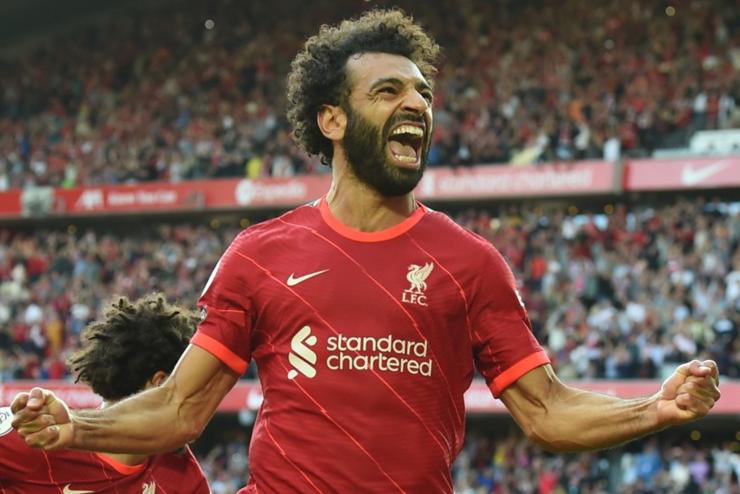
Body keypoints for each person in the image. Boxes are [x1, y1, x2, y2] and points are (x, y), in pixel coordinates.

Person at [11, 9, 720, 494]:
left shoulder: (471, 264)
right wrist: (76, 427)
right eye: (388, 91)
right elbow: (179, 408)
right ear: (333, 118)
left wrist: (654, 410)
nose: (417, 104)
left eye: (423, 93)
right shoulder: (259, 254)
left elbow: (547, 411)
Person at [2, 294, 210, 493]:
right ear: (160, 384)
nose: (203, 406)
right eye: (195, 391)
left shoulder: (185, 480)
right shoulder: (36, 433)